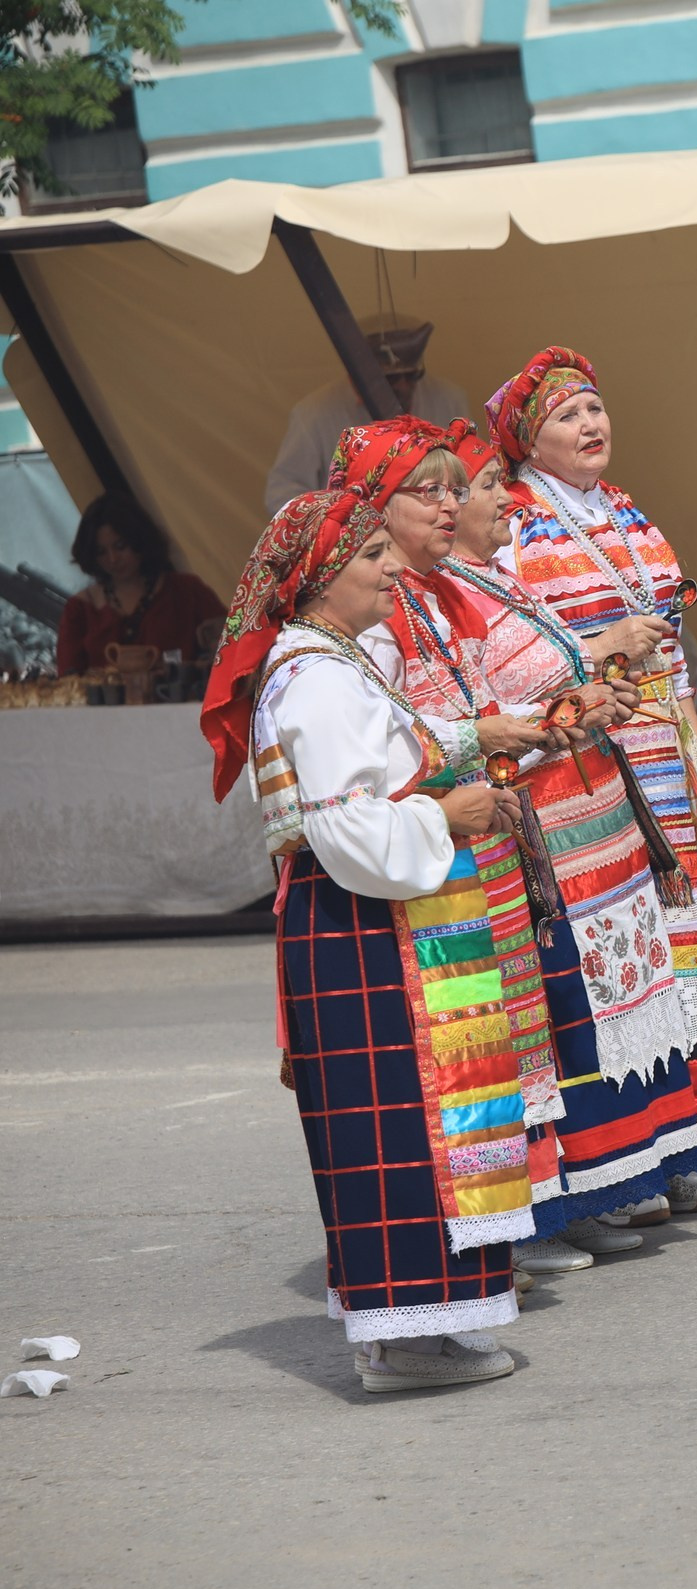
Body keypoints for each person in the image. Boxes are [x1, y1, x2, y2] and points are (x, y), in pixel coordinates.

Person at [334, 418, 697, 1272]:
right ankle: (506, 1224)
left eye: (451, 487)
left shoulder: (455, 586)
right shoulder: (377, 618)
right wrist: (529, 719)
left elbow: (488, 700)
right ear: (372, 510)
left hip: (502, 818)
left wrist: (571, 710)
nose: (450, 504)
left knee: (519, 1026)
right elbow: (409, 736)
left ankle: (539, 1206)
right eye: (428, 490)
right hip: (448, 836)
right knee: (481, 1031)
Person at [202, 490, 536, 1392]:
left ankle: (434, 1321)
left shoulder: (336, 662)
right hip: (362, 918)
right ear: (318, 577)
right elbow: (345, 824)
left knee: (419, 1118)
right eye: (372, 557)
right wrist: (445, 811)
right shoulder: (315, 676)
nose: (394, 569)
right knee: (399, 1118)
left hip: (378, 911)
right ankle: (404, 1336)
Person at [487, 347, 697, 1178]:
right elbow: (517, 648)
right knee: (611, 950)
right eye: (567, 416)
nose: (590, 424)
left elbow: (667, 636)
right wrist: (603, 647)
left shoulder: (623, 507)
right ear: (528, 443)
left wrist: (693, 741)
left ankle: (683, 1138)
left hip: (655, 748)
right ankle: (628, 1153)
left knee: (670, 936)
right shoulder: (519, 522)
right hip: (583, 758)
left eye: (595, 408)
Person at [263, 315, 473, 515]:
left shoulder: (448, 399)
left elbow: (472, 473)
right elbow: (282, 493)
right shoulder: (315, 413)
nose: (403, 385)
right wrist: (337, 522)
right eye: (390, 379)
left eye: (411, 375)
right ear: (356, 376)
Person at [53, 491, 223, 678]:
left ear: (140, 541)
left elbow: (232, 645)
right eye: (101, 552)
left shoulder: (186, 590)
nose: (113, 559)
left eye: (120, 546)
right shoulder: (80, 610)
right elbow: (68, 678)